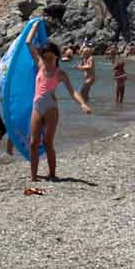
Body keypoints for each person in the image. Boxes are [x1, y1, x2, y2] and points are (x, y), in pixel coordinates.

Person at [24, 41, 91, 189]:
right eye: (45, 57)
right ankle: (33, 176)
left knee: (48, 143)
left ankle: (52, 174)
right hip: (37, 107)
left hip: (51, 109)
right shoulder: (40, 66)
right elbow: (28, 43)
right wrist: (36, 22)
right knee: (34, 143)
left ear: (56, 57)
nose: (48, 60)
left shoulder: (60, 74)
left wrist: (82, 104)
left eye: (51, 57)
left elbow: (72, 92)